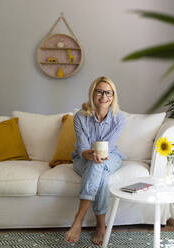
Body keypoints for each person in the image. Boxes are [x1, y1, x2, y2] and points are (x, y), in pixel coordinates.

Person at [65, 76, 126, 245]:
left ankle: (78, 220)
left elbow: (108, 147)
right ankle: (101, 226)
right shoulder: (80, 117)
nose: (104, 96)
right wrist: (90, 155)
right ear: (93, 94)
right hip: (83, 158)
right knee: (100, 172)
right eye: (99, 91)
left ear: (113, 96)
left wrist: (97, 156)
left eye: (108, 92)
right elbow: (83, 148)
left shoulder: (119, 119)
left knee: (98, 164)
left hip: (111, 157)